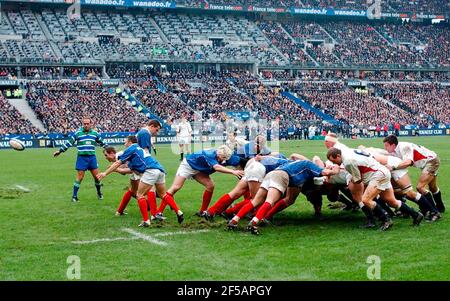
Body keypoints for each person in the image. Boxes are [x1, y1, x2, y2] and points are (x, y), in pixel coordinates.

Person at [227, 159, 339, 234]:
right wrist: (335, 170)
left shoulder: (293, 162)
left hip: (271, 174)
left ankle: (234, 220)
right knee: (269, 201)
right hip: (281, 176)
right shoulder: (309, 164)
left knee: (255, 201)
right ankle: (254, 223)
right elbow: (325, 173)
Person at [327, 148, 423, 231]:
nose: (334, 163)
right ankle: (415, 215)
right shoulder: (349, 151)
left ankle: (386, 220)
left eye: (334, 160)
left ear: (338, 155)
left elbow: (358, 180)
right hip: (383, 171)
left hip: (378, 175)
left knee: (365, 200)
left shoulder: (347, 161)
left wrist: (350, 183)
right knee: (391, 201)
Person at [99, 136, 183, 227]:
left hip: (150, 170)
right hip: (159, 169)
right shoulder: (137, 151)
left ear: (130, 142)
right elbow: (128, 169)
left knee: (140, 195)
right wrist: (116, 170)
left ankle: (146, 220)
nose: (124, 144)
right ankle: (178, 211)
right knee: (163, 194)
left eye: (125, 142)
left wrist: (105, 173)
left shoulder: (130, 149)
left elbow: (118, 163)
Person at [159, 145, 244, 217]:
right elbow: (217, 167)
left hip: (199, 170)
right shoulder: (210, 154)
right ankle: (159, 213)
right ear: (217, 153)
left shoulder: (228, 157)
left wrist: (242, 173)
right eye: (219, 157)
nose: (220, 160)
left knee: (210, 186)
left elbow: (240, 161)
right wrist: (233, 171)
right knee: (176, 187)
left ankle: (202, 212)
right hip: (188, 165)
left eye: (222, 158)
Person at [383, 135, 445, 213]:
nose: (385, 148)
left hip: (431, 161)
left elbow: (408, 162)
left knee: (420, 187)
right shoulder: (394, 150)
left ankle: (433, 211)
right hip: (429, 161)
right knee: (432, 187)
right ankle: (440, 207)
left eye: (386, 146)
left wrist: (393, 167)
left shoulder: (405, 147)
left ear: (393, 145)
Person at [115, 120, 163, 220]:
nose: (156, 133)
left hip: (135, 162)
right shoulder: (145, 133)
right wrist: (150, 163)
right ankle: (154, 214)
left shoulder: (142, 132)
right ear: (152, 126)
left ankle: (119, 211)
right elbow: (145, 150)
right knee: (150, 189)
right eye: (156, 130)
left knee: (133, 190)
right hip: (141, 164)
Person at [53, 117, 107, 202]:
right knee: (80, 177)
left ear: (90, 124)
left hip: (92, 158)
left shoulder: (95, 134)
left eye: (87, 123)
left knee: (97, 177)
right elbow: (69, 142)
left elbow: (103, 143)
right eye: (84, 124)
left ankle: (99, 193)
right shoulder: (78, 133)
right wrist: (60, 151)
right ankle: (74, 196)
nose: (86, 125)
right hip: (82, 158)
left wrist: (110, 150)